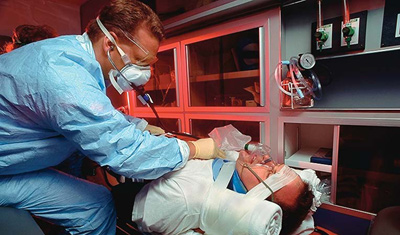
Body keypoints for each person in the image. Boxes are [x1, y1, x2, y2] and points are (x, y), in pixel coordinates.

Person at [0, 0, 225, 234]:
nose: (145, 72)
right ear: (110, 43)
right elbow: (126, 152)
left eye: (149, 64)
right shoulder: (65, 77)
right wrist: (193, 150)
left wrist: (141, 126)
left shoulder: (71, 54)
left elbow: (90, 116)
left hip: (11, 161)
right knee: (94, 206)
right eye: (139, 60)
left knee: (94, 201)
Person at [132, 150, 321, 235]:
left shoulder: (185, 199)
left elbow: (140, 213)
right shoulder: (232, 166)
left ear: (257, 198)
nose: (266, 158)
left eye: (271, 172)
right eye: (275, 164)